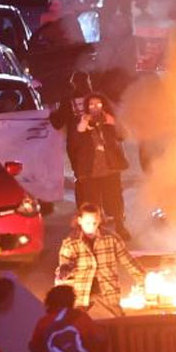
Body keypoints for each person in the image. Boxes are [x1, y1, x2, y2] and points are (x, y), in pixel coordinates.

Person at [56, 203, 145, 319]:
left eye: (95, 223)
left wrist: (144, 280)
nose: (92, 227)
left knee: (118, 326)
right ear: (79, 220)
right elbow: (64, 265)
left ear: (99, 221)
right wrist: (65, 271)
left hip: (108, 296)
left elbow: (128, 262)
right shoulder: (71, 243)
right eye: (88, 223)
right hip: (81, 299)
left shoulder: (111, 239)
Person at [70, 93, 131, 239]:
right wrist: (81, 127)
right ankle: (97, 231)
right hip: (90, 171)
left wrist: (113, 123)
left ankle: (120, 226)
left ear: (104, 105)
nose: (95, 108)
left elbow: (123, 136)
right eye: (91, 105)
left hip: (110, 169)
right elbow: (73, 144)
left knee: (115, 200)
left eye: (98, 104)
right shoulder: (82, 122)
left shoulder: (109, 120)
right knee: (92, 203)